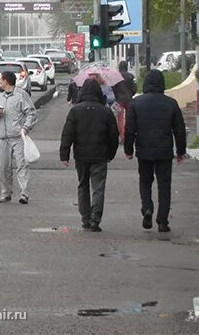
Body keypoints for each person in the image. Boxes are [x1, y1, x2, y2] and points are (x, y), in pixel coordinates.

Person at [123, 69, 187, 232]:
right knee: (164, 185)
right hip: (164, 151)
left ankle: (147, 208)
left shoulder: (136, 103)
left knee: (145, 181)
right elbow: (179, 130)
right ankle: (163, 221)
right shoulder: (171, 103)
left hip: (144, 150)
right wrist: (180, 151)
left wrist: (128, 149)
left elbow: (130, 129)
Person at [59, 79, 120, 232]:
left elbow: (68, 134)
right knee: (98, 188)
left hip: (81, 155)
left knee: (83, 185)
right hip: (100, 156)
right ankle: (95, 220)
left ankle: (85, 218)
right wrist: (110, 154)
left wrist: (64, 154)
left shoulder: (75, 110)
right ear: (98, 92)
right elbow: (114, 136)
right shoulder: (105, 111)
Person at [0, 71, 38, 204]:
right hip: (3, 138)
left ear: (6, 81)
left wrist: (26, 127)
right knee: (4, 167)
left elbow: (31, 113)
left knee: (22, 165)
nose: (0, 82)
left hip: (18, 137)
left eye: (1, 79)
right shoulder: (1, 97)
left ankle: (24, 194)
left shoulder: (20, 95)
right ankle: (6, 193)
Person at [112, 60, 137, 139]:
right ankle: (129, 134)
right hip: (129, 99)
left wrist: (116, 95)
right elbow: (135, 88)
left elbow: (113, 88)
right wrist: (131, 94)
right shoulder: (131, 76)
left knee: (120, 119)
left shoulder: (116, 76)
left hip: (119, 99)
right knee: (129, 118)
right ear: (126, 67)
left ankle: (123, 136)